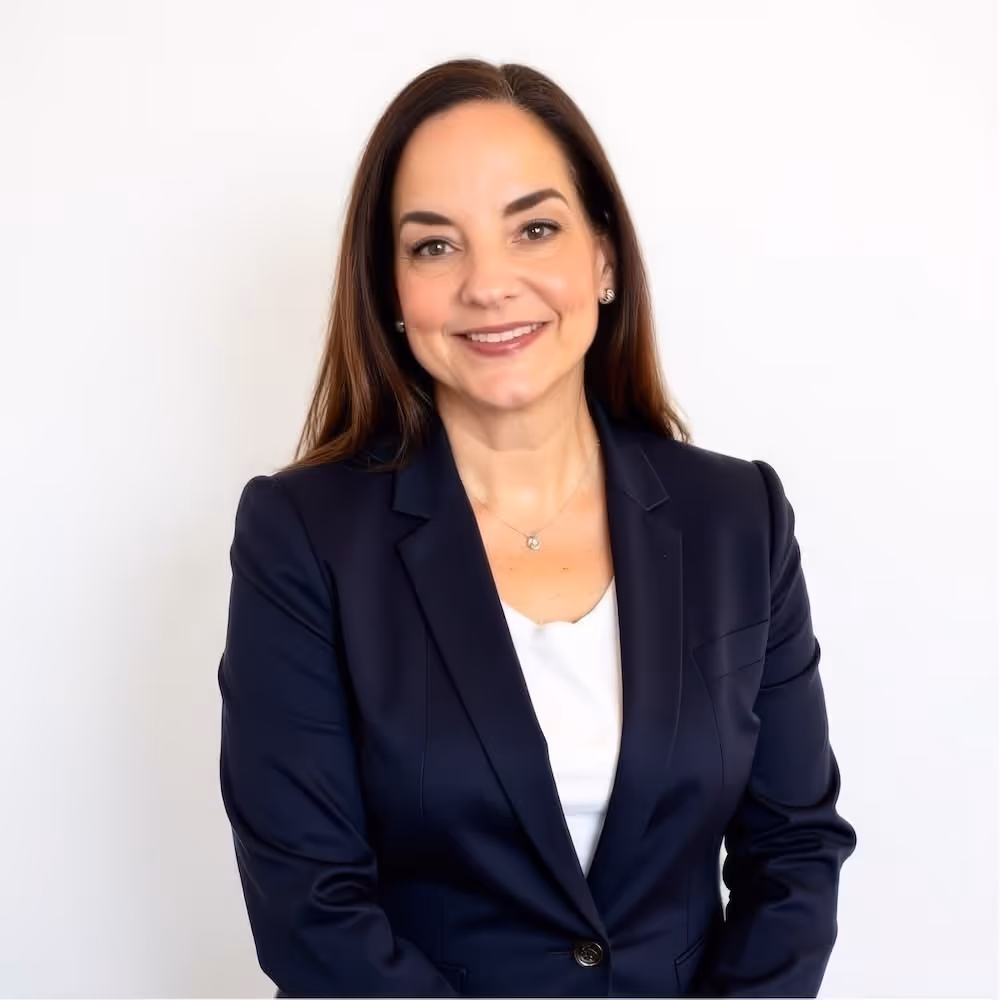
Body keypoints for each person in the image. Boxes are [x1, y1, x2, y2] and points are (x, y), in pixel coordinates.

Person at [218, 58, 857, 998]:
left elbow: (794, 851)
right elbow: (310, 907)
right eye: (435, 246)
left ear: (602, 258)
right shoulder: (303, 536)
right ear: (391, 293)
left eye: (536, 228)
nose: (489, 283)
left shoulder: (738, 518)